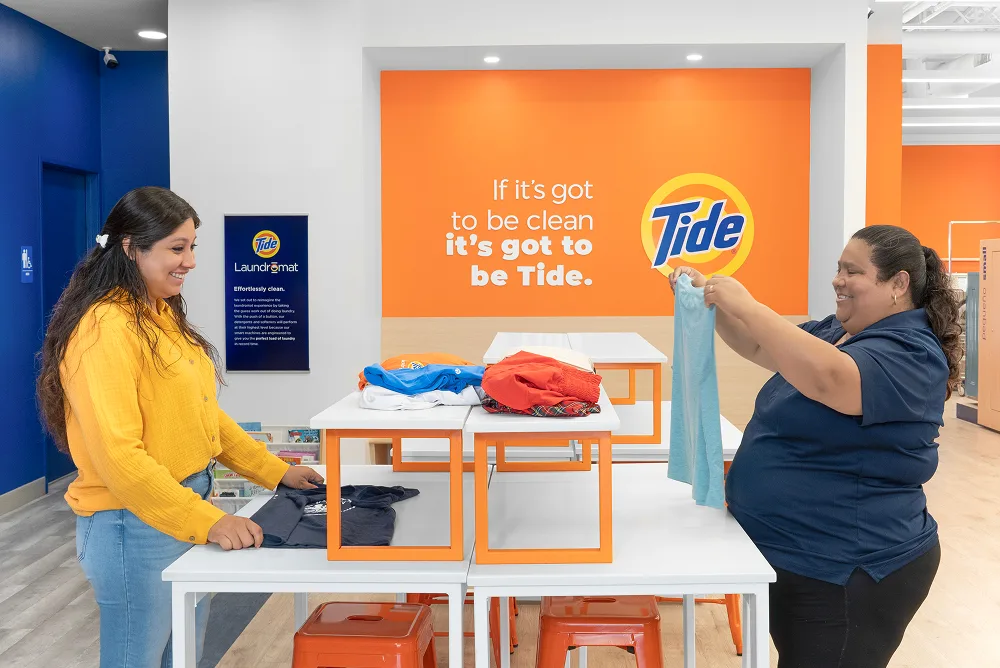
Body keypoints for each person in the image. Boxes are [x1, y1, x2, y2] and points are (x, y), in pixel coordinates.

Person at [36, 186, 325, 667]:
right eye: (177, 248)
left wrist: (274, 470)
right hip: (132, 525)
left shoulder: (158, 313)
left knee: (183, 656)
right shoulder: (104, 328)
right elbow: (119, 457)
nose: (189, 261)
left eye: (192, 246)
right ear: (131, 247)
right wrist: (211, 521)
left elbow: (201, 415)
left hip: (181, 508)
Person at [669, 225, 959, 668]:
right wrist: (709, 300)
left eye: (853, 271)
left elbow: (831, 379)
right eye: (838, 269)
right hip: (800, 555)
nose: (838, 280)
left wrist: (749, 305)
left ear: (898, 284)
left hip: (852, 568)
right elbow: (758, 344)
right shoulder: (835, 331)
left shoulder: (912, 353)